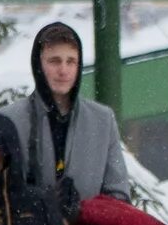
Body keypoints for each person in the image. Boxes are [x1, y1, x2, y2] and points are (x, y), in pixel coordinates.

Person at [13, 20, 133, 213]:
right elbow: (1, 195)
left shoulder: (101, 120)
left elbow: (118, 195)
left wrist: (83, 212)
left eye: (71, 61)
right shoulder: (12, 120)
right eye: (54, 61)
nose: (63, 70)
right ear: (38, 64)